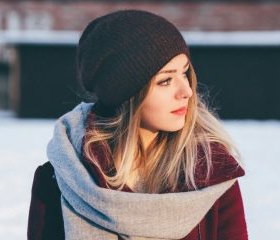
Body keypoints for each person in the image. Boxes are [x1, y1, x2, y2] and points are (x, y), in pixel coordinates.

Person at [27, 9, 248, 240]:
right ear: (126, 95)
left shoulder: (210, 175)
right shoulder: (63, 179)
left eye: (184, 74)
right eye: (165, 81)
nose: (187, 91)